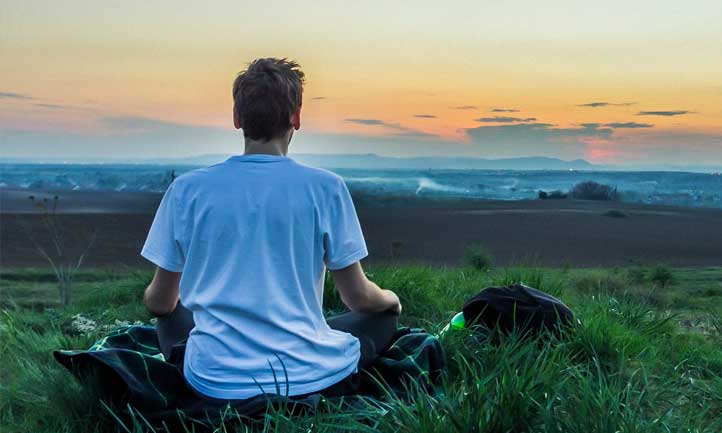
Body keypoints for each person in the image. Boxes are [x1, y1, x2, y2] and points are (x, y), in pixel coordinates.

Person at [140, 58, 402, 403]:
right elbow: (358, 299)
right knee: (380, 319)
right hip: (307, 375)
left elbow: (159, 303)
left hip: (214, 380)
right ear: (296, 117)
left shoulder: (187, 190)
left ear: (237, 119)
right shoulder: (326, 188)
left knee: (172, 315)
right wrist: (391, 300)